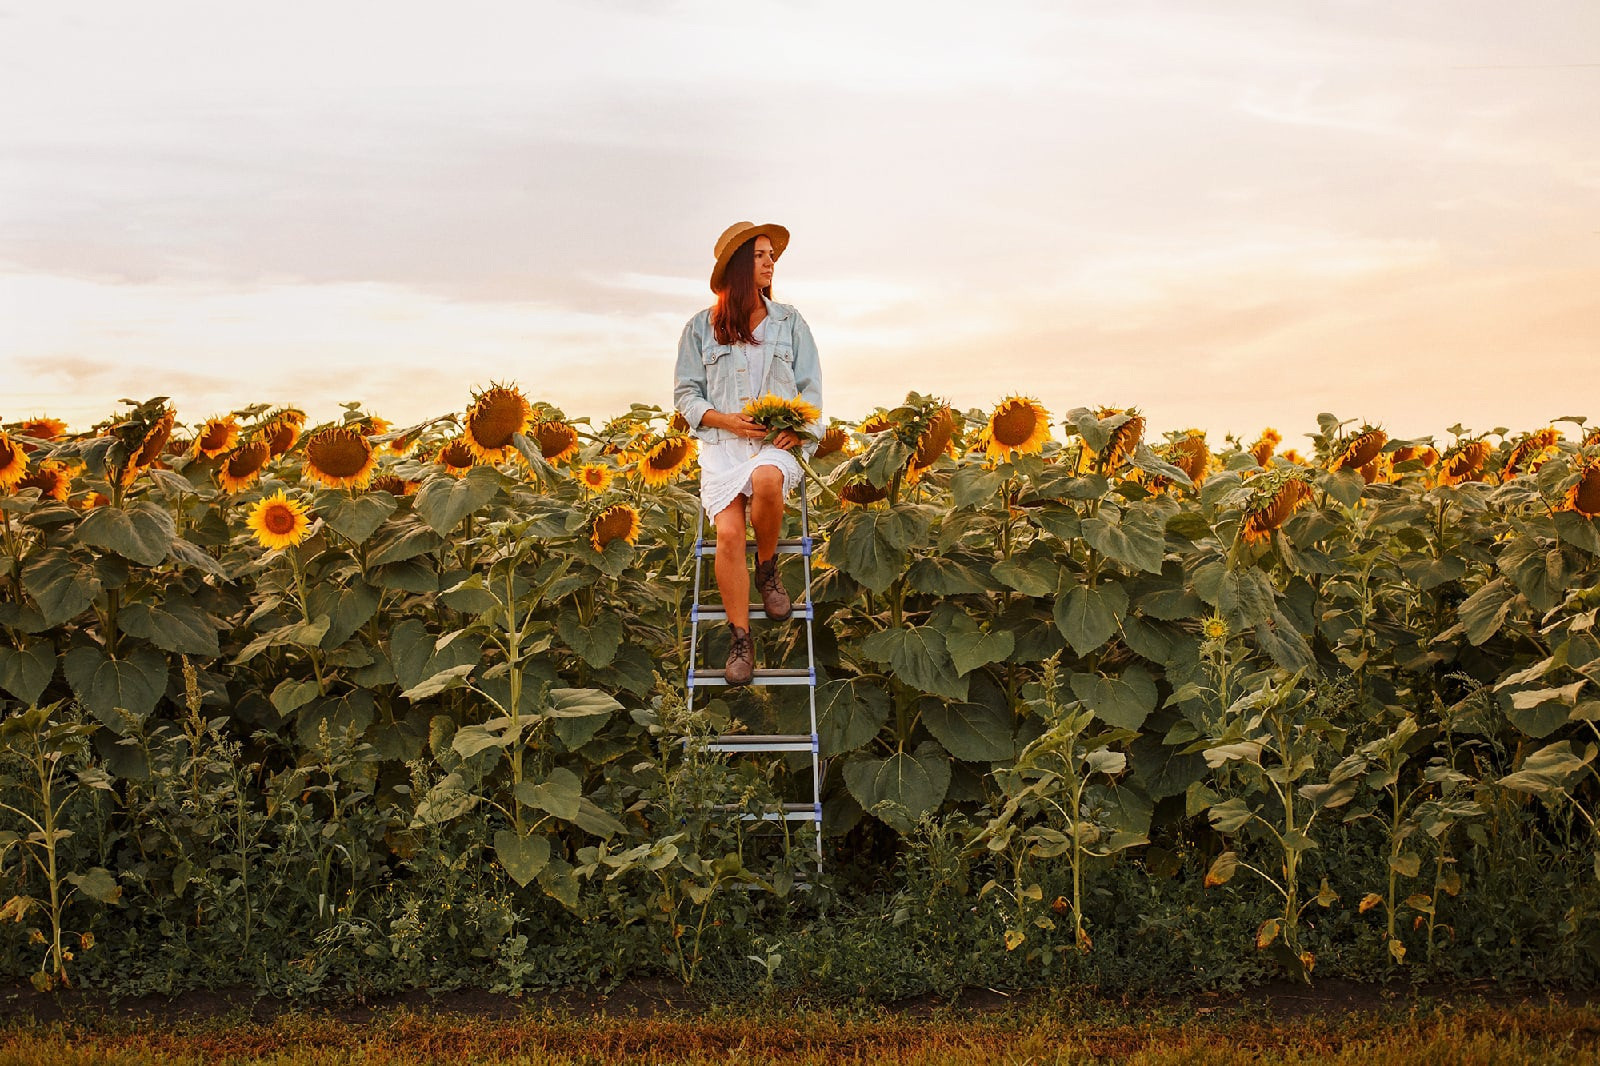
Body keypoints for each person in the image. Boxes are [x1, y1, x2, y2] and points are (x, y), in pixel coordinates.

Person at [673, 221, 823, 685]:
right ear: (739, 265)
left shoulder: (789, 322)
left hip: (770, 447)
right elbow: (686, 395)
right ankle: (742, 638)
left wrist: (802, 431)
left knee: (767, 481)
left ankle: (768, 570)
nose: (770, 262)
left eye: (771, 255)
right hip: (721, 447)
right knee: (730, 537)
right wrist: (727, 420)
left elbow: (810, 388)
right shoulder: (700, 328)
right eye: (760, 255)